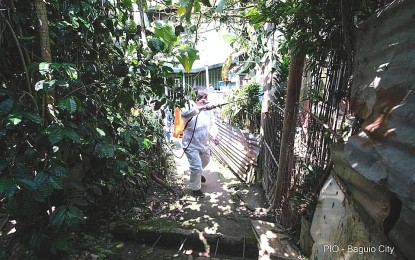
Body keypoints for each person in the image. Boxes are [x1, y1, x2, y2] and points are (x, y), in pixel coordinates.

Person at [181, 87, 219, 197]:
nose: (204, 99)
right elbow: (185, 115)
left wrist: (214, 136)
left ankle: (197, 174)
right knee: (196, 166)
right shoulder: (187, 105)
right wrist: (201, 108)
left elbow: (212, 124)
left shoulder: (208, 109)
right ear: (195, 97)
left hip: (204, 140)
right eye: (202, 97)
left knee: (206, 160)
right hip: (190, 141)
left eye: (206, 97)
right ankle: (195, 188)